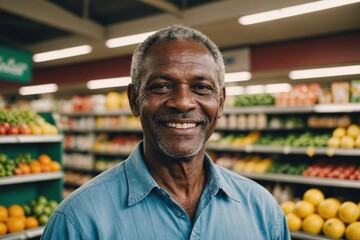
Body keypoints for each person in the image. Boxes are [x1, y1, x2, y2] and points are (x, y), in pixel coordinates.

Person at [41, 25, 291, 240]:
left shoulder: (264, 211)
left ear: (221, 102)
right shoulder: (77, 221)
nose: (183, 102)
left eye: (201, 87)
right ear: (134, 100)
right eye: (161, 86)